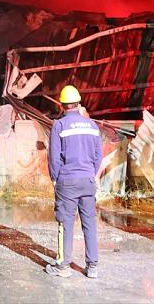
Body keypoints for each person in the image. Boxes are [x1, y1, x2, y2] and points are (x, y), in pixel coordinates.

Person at [45, 85, 102, 279]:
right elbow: (98, 156)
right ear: (79, 103)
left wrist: (55, 178)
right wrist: (90, 174)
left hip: (67, 181)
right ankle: (92, 267)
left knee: (65, 223)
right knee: (89, 223)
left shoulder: (59, 125)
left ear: (62, 105)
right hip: (88, 180)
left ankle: (63, 266)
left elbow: (54, 157)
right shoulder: (92, 126)